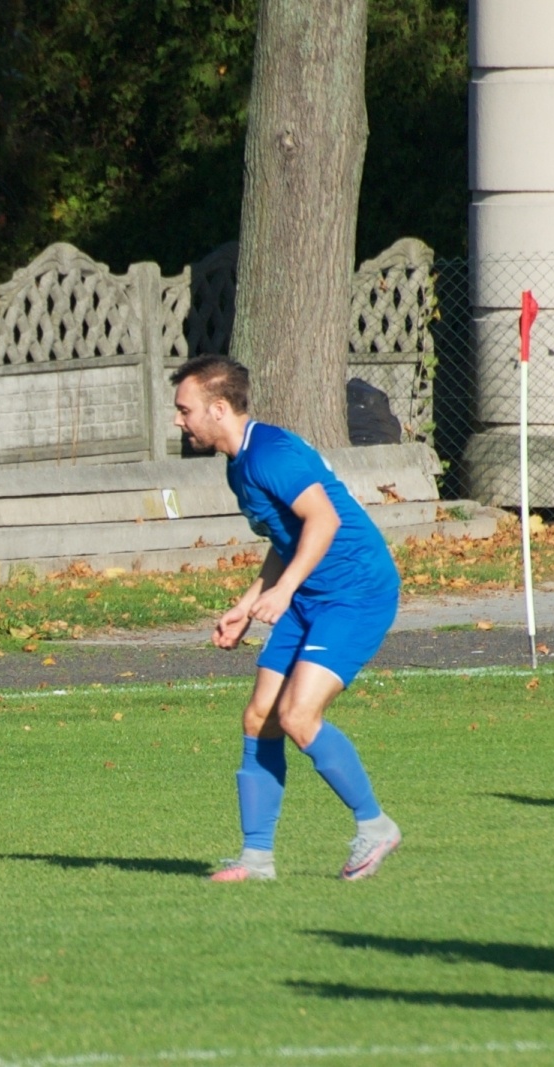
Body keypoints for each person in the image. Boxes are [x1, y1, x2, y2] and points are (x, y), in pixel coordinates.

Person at [170, 355, 401, 883]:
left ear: (219, 408)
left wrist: (286, 590)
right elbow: (287, 539)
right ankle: (256, 861)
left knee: (298, 717)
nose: (180, 420)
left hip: (355, 592)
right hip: (311, 594)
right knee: (260, 717)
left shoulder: (269, 453)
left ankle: (376, 826)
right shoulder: (239, 463)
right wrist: (250, 603)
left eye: (186, 410)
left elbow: (324, 519)